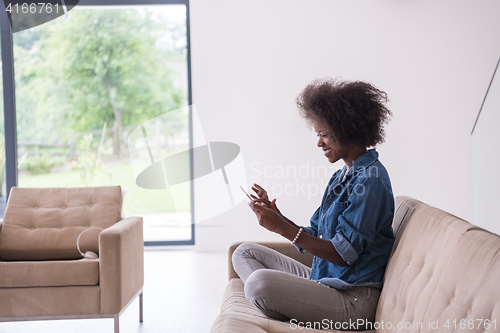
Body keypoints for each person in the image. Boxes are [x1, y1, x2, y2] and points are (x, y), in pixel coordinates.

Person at [232, 78, 395, 330]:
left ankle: (286, 308)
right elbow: (315, 235)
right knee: (244, 252)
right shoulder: (341, 176)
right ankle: (290, 307)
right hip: (325, 280)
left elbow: (343, 255)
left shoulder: (371, 180)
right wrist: (278, 217)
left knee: (257, 284)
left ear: (347, 130)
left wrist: (282, 229)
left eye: (324, 135)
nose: (319, 143)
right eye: (318, 134)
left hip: (351, 298)